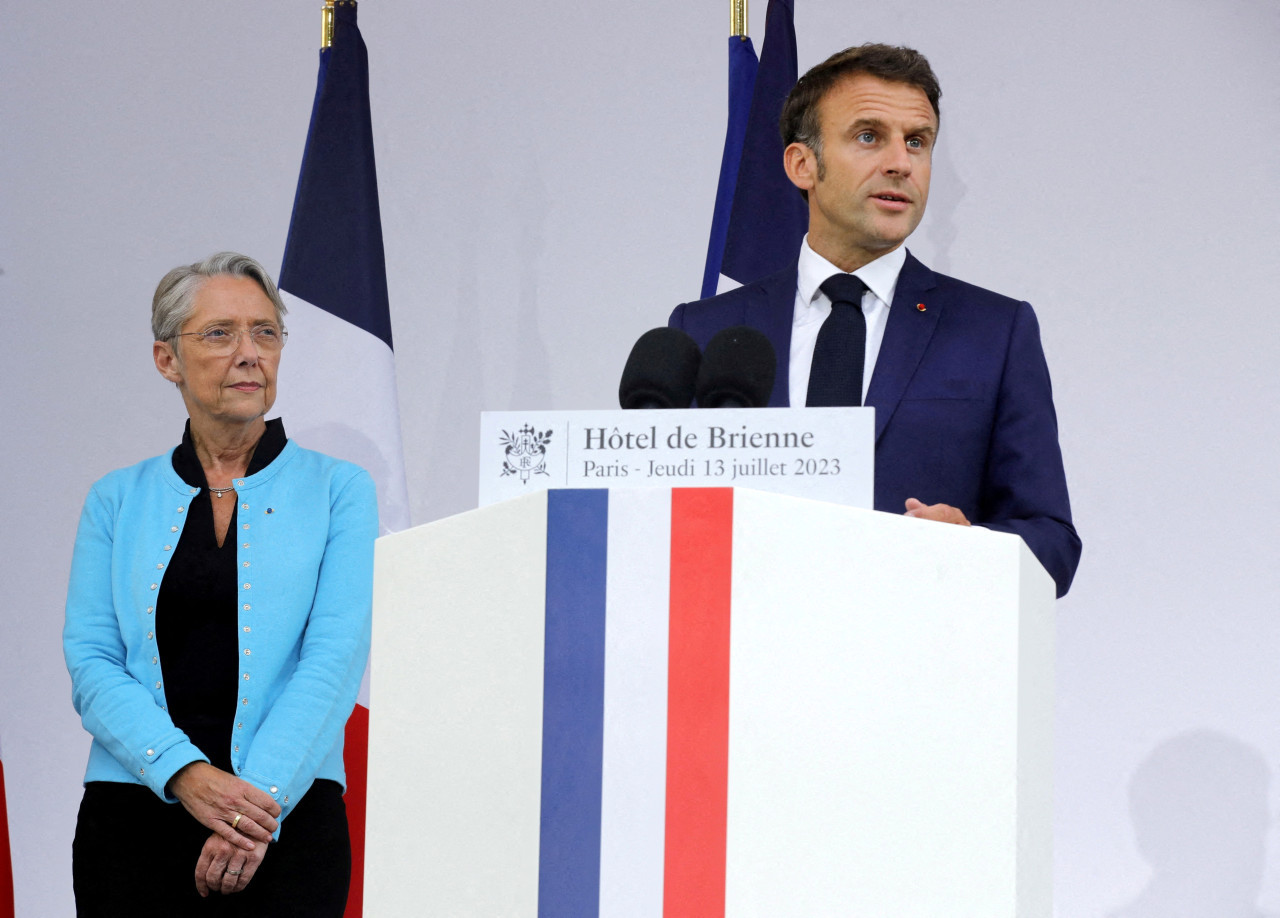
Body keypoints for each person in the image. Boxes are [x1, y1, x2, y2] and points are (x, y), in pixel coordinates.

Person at [670, 43, 1081, 596]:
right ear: (802, 164)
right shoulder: (705, 332)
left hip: (919, 663)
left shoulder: (997, 332)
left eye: (917, 141)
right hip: (745, 665)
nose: (900, 162)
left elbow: (1052, 543)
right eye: (869, 136)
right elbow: (660, 520)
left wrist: (973, 545)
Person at [64, 252, 377, 915]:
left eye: (266, 332)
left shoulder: (340, 490)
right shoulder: (115, 499)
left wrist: (249, 808)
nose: (249, 353)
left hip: (284, 820)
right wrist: (187, 774)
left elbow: (334, 660)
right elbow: (92, 663)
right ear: (166, 359)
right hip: (133, 822)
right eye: (219, 333)